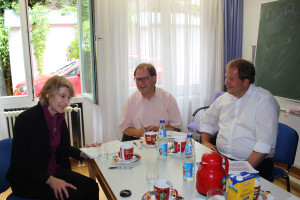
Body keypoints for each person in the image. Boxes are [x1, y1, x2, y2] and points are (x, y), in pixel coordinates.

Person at [6, 76, 99, 200]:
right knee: (75, 196)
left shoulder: (59, 117)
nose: (66, 102)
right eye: (62, 96)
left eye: (68, 97)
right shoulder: (26, 119)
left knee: (92, 186)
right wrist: (50, 180)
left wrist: (83, 153)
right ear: (48, 95)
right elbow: (19, 163)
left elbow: (60, 147)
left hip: (53, 170)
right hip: (29, 179)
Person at [200, 58, 280, 179]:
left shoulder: (264, 100)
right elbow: (207, 119)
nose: (226, 82)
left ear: (246, 82)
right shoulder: (224, 98)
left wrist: (242, 171)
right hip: (222, 159)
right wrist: (205, 141)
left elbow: (264, 144)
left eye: (231, 79)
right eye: (226, 77)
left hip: (254, 164)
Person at [119, 63, 182, 141]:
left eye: (145, 78)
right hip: (138, 142)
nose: (141, 83)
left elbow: (177, 127)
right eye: (138, 79)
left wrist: (160, 129)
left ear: (154, 78)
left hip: (162, 141)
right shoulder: (131, 100)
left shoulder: (168, 98)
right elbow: (124, 128)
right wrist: (137, 132)